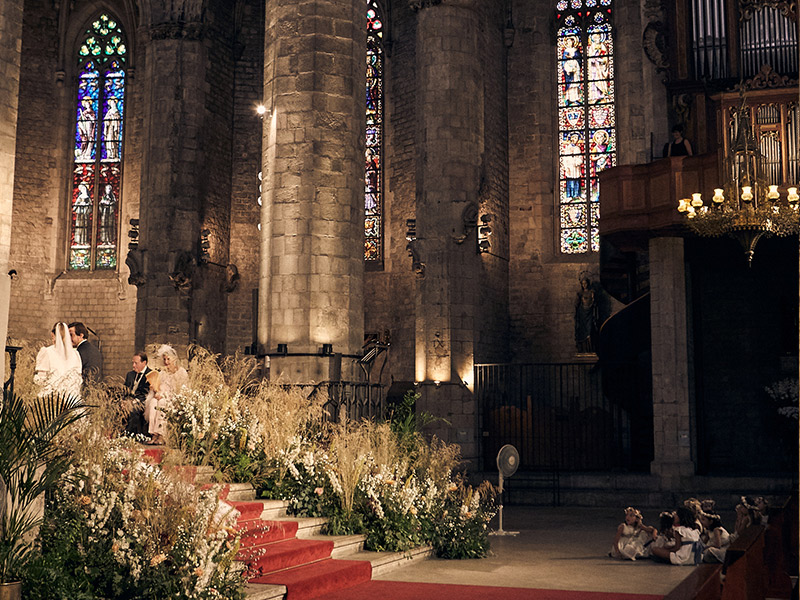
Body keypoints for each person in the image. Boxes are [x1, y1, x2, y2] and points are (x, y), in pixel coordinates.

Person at [144, 344, 188, 445]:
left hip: (173, 398)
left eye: (168, 359)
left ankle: (161, 434)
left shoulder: (181, 372)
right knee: (153, 403)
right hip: (161, 396)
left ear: (174, 359)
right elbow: (159, 387)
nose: (166, 362)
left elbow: (181, 391)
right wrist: (156, 391)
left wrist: (164, 395)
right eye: (164, 359)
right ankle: (154, 434)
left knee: (162, 403)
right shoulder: (162, 373)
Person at [34, 322, 82, 399]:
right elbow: (78, 380)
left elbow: (41, 379)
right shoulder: (75, 354)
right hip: (71, 397)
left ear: (53, 335)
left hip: (52, 397)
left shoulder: (47, 352)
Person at [123, 351, 151, 436]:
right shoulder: (130, 374)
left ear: (144, 363)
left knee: (133, 410)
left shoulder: (150, 374)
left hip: (142, 402)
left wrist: (132, 402)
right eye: (133, 363)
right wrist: (123, 401)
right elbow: (125, 390)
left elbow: (146, 394)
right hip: (129, 400)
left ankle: (129, 436)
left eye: (136, 363)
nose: (133, 366)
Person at [574, 275, 598, 353]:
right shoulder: (580, 293)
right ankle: (584, 350)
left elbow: (594, 302)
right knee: (582, 332)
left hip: (589, 313)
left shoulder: (592, 292)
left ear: (588, 283)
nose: (584, 285)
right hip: (582, 314)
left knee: (590, 331)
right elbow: (576, 304)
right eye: (583, 284)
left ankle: (591, 349)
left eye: (585, 283)